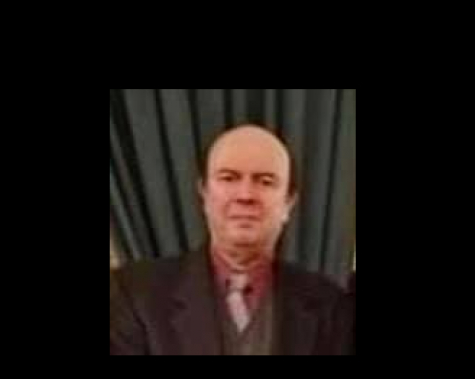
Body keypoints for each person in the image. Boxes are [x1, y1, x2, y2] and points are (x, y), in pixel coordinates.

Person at [110, 125, 349, 355]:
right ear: (204, 194)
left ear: (288, 203)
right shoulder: (135, 294)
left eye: (265, 181)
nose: (245, 195)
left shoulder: (330, 305)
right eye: (228, 178)